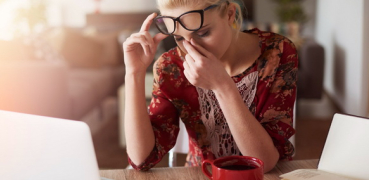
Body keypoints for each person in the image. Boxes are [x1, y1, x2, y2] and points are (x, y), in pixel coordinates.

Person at [122, 0, 298, 173]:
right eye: (179, 38)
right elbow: (141, 159)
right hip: (201, 174)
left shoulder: (277, 53)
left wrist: (222, 86)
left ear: (230, 14)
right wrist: (134, 73)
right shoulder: (172, 67)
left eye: (203, 33)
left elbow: (264, 163)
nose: (192, 48)